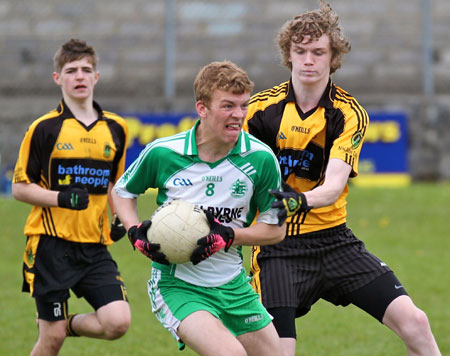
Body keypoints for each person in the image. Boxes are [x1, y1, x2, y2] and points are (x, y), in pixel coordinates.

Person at [243, 2, 442, 356]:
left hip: (335, 243)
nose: (308, 60)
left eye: (318, 52)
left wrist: (297, 200)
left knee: (416, 323)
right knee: (277, 352)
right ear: (288, 54)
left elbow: (333, 186)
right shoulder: (259, 111)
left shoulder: (348, 113)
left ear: (333, 57)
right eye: (300, 51)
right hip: (278, 248)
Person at [112, 60, 285, 356]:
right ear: (202, 108)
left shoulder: (261, 159)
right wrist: (134, 231)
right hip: (178, 285)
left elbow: (276, 229)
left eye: (243, 106)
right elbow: (123, 192)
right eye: (228, 106)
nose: (239, 115)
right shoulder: (164, 152)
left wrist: (229, 236)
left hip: (234, 286)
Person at [12, 38, 131, 356]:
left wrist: (119, 219)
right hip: (51, 245)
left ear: (96, 77)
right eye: (71, 70)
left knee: (118, 322)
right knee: (50, 341)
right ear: (58, 78)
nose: (79, 76)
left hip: (94, 246)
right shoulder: (44, 129)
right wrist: (61, 199)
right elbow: (20, 187)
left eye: (86, 70)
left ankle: (64, 324)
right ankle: (54, 329)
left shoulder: (116, 128)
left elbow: (116, 186)